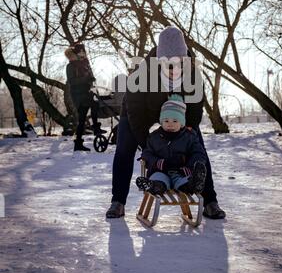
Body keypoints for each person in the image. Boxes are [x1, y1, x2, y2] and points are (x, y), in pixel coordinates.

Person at [106, 26, 226, 219]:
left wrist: (185, 134)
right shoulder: (141, 73)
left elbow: (195, 111)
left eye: (179, 62)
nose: (173, 68)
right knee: (124, 150)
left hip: (177, 115)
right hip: (141, 115)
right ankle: (117, 201)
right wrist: (151, 145)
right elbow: (135, 114)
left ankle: (210, 201)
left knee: (198, 147)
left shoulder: (193, 74)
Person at [136, 94, 207, 196]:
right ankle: (153, 186)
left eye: (175, 121)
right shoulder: (154, 137)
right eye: (166, 121)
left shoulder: (189, 137)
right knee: (159, 179)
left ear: (181, 123)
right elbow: (147, 154)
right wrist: (158, 163)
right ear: (161, 122)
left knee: (183, 181)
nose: (170, 124)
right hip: (160, 171)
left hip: (181, 171)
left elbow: (198, 153)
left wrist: (190, 166)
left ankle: (193, 184)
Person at [65, 43, 99, 151]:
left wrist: (92, 78)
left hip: (87, 92)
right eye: (80, 51)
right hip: (78, 94)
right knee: (85, 114)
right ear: (76, 52)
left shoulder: (85, 63)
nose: (82, 53)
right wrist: (85, 79)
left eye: (83, 51)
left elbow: (90, 75)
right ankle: (94, 129)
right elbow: (72, 81)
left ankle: (79, 142)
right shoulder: (70, 66)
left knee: (90, 110)